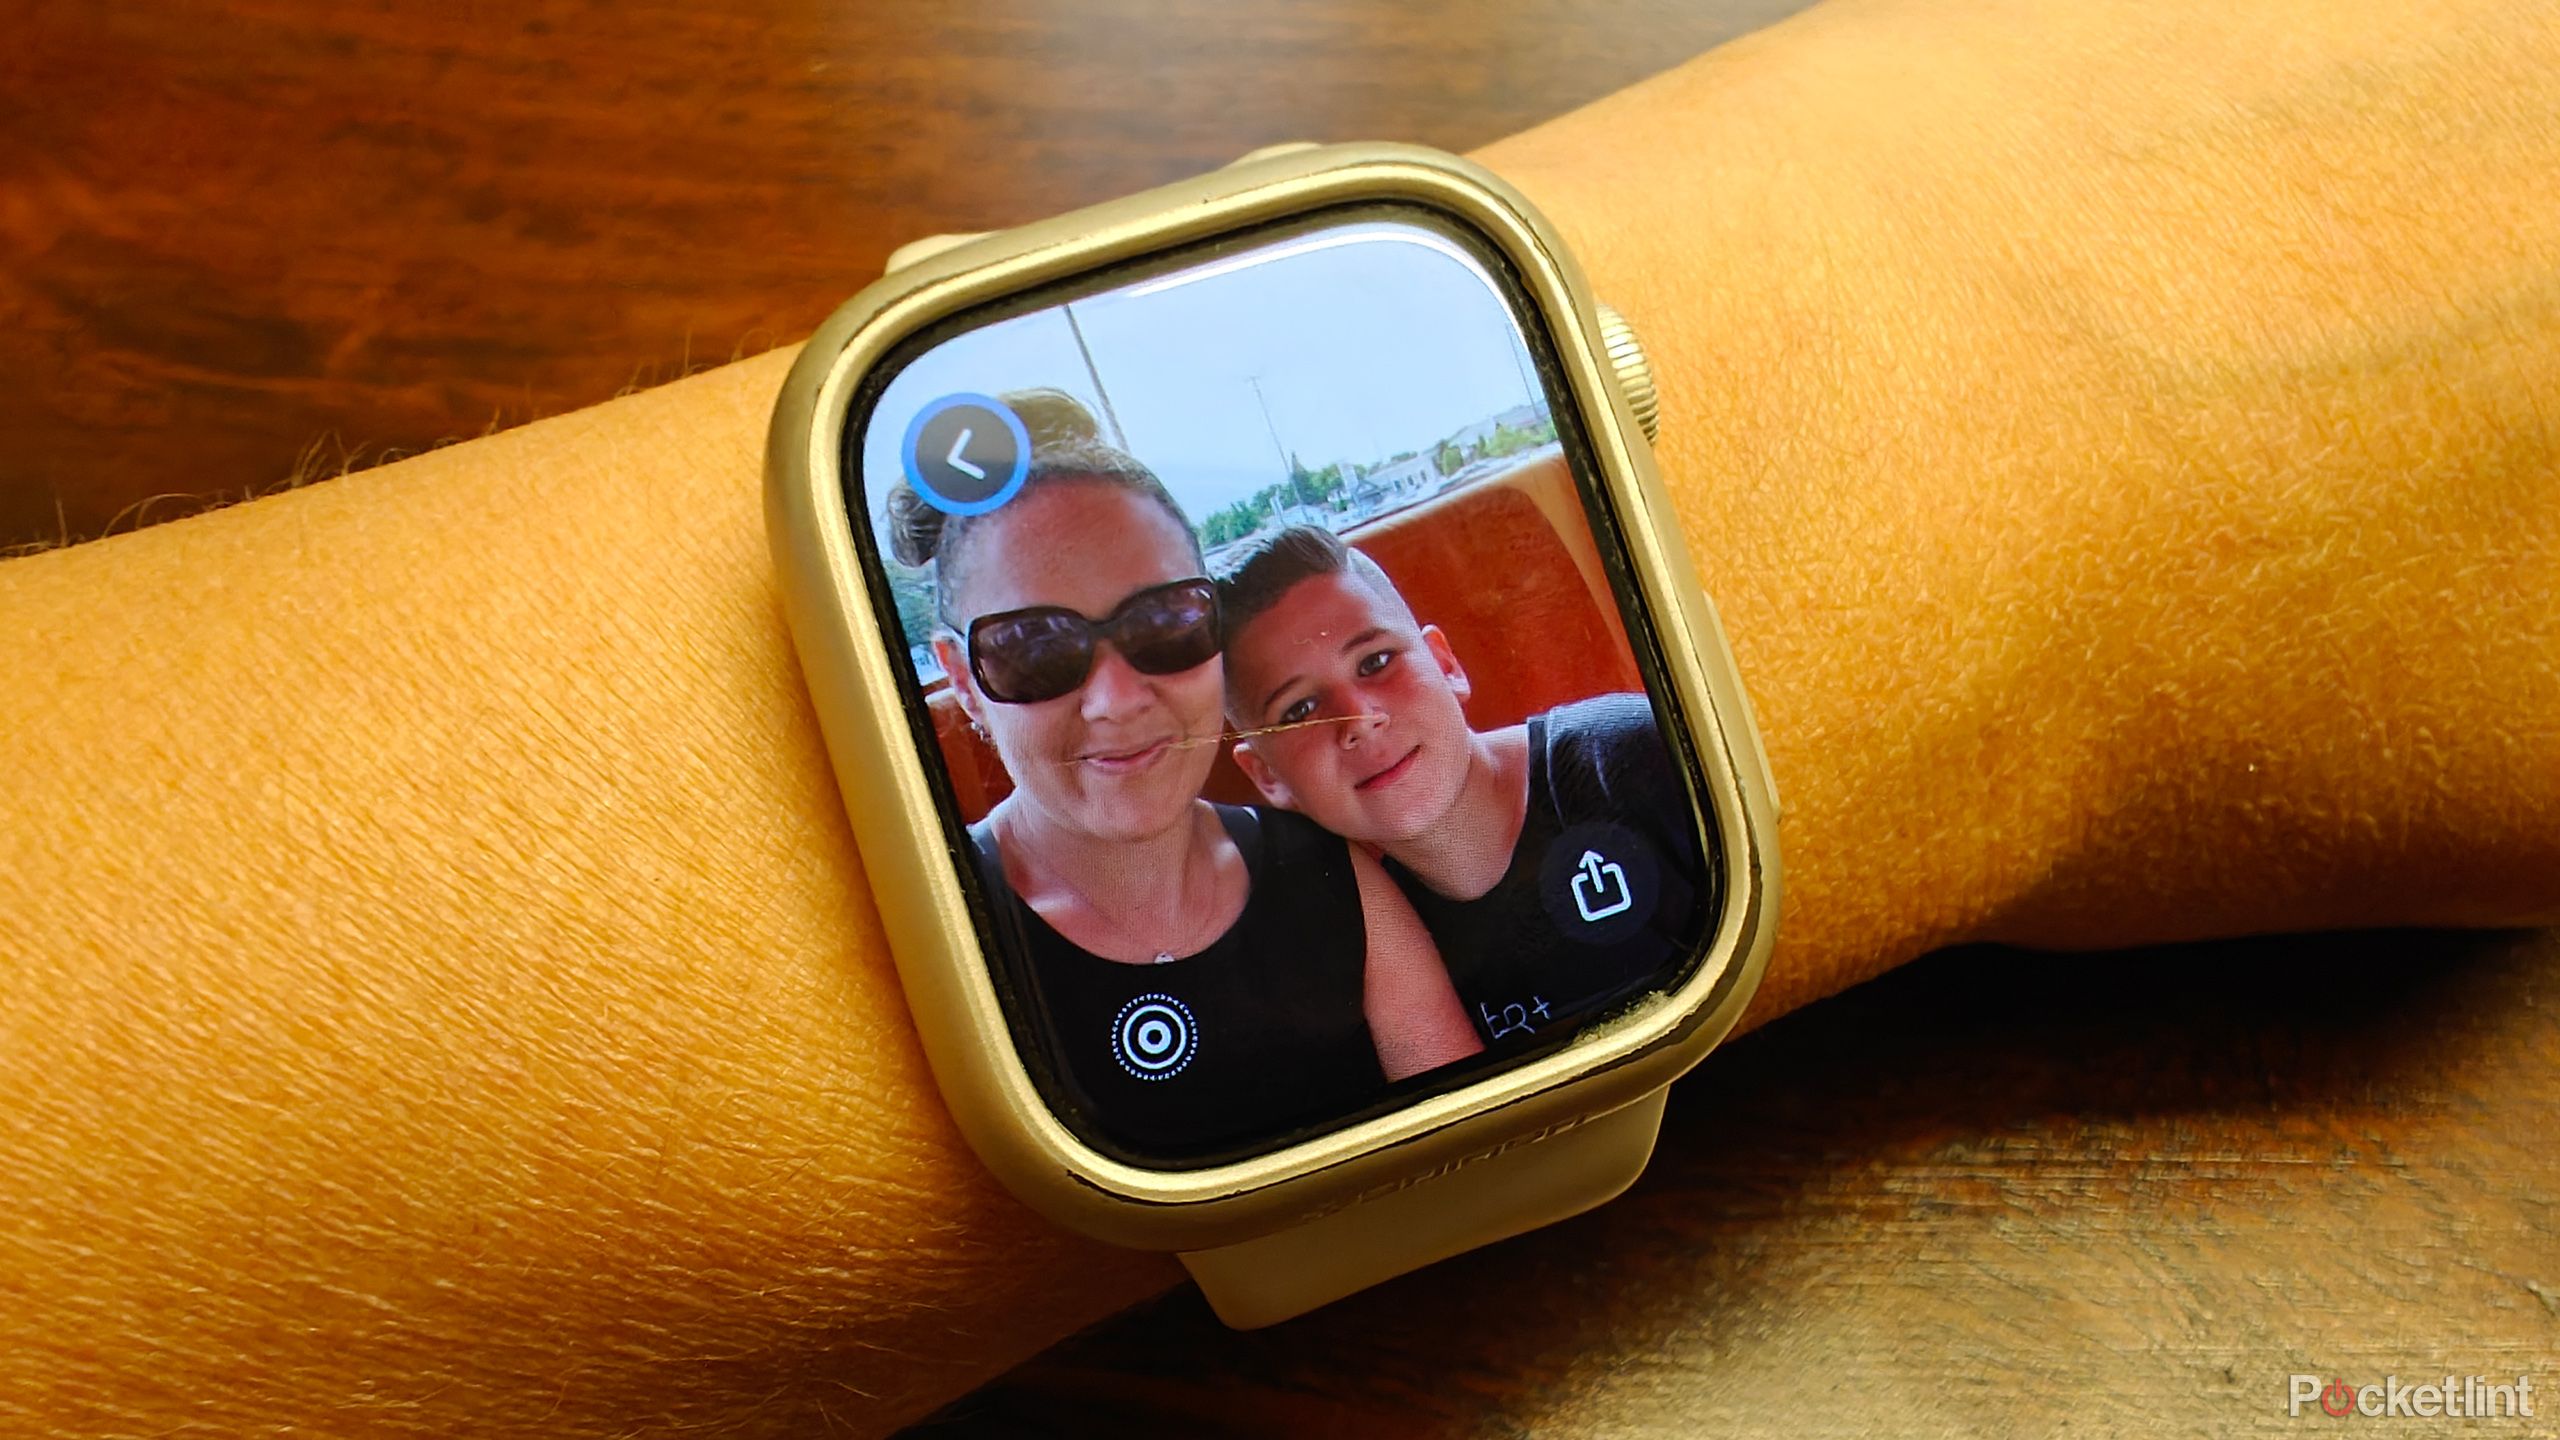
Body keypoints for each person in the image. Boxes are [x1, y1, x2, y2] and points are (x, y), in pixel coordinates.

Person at [2, 4, 2554, 1436]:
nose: (1109, 688)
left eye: (1157, 640)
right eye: (1022, 652)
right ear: (934, 681)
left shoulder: (1369, 858)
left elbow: (1464, 1047)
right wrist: (1988, 386)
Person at [885, 429, 1480, 1156]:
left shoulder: (1329, 877)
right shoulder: (934, 937)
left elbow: (1476, 1145)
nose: (1116, 699)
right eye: (1033, 647)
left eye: (1163, 622)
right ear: (964, 680)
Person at [1216, 524, 1698, 1044]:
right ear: (1269, 776)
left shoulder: (1636, 756)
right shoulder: (1345, 940)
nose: (1358, 719)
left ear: (1446, 665)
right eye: (1300, 710)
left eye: (1376, 662)